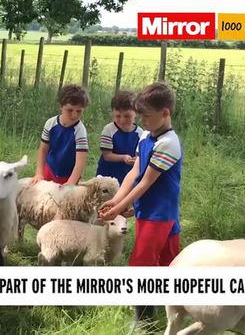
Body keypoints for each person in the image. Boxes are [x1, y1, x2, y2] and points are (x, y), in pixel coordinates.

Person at [99, 82, 182, 322]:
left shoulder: (168, 143)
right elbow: (134, 172)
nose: (142, 121)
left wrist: (117, 209)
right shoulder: (147, 135)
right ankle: (168, 313)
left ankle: (143, 321)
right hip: (150, 210)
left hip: (160, 214)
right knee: (166, 262)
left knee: (141, 265)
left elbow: (146, 183)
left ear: (165, 113)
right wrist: (116, 199)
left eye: (146, 116)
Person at [31, 84, 90, 186]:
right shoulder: (50, 123)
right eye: (70, 110)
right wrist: (39, 173)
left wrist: (71, 181)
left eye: (79, 111)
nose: (74, 115)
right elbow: (43, 150)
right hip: (49, 171)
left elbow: (80, 162)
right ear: (61, 106)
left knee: (69, 201)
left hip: (70, 176)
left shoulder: (80, 131)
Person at [96, 90, 145, 184]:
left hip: (128, 177)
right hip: (107, 175)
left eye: (127, 116)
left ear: (136, 113)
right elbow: (107, 155)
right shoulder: (108, 130)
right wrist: (124, 158)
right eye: (118, 116)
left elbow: (140, 156)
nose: (122, 121)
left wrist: (136, 160)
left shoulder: (140, 133)